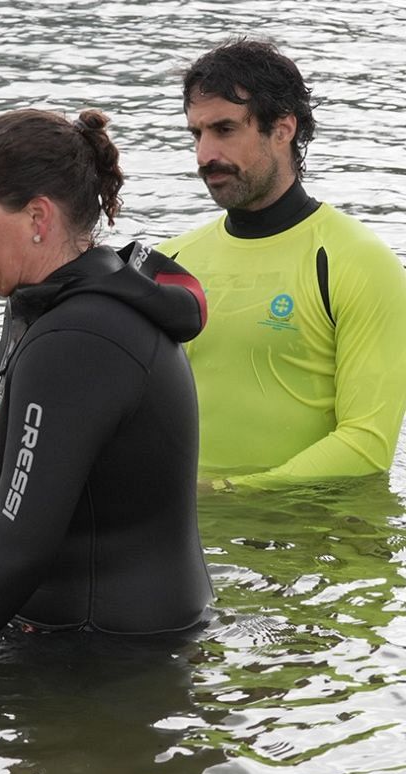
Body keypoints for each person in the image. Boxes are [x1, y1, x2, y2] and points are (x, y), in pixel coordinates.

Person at [0, 109, 214, 658]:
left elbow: (18, 545)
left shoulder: (77, 340)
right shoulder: (76, 308)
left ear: (37, 217)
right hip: (127, 633)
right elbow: (14, 491)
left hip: (105, 660)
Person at [159, 39, 406, 492]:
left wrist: (226, 495)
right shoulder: (172, 262)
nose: (204, 155)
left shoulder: (358, 263)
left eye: (225, 129)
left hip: (312, 547)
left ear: (283, 129)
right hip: (191, 547)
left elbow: (366, 448)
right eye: (197, 134)